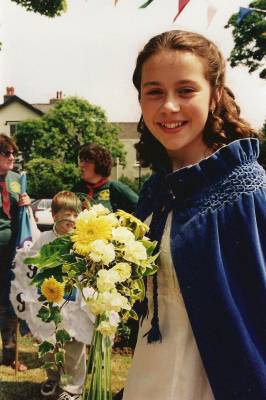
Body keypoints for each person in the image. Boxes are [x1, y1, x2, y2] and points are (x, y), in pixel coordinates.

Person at [122, 30, 266, 400]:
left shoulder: (246, 191)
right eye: (154, 91)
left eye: (186, 90)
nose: (168, 106)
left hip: (215, 382)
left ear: (215, 94)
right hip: (150, 375)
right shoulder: (154, 193)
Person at [12, 191, 91, 400]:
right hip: (49, 305)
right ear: (55, 216)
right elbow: (33, 267)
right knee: (50, 345)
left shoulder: (81, 241)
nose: (72, 220)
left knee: (73, 348)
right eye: (67, 214)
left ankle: (73, 387)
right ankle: (53, 377)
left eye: (76, 215)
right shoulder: (44, 240)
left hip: (73, 305)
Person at [0, 133, 30, 372]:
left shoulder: (16, 179)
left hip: (11, 253)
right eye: (6, 153)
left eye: (13, 153)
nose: (12, 157)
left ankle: (10, 355)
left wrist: (27, 204)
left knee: (10, 302)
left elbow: (22, 216)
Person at [72, 143, 138, 213]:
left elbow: (141, 207)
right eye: (81, 161)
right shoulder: (77, 188)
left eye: (87, 161)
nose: (81, 165)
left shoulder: (114, 187)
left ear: (99, 163)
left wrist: (123, 223)